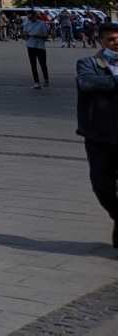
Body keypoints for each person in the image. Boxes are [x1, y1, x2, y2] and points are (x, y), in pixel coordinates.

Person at [78, 22, 118, 247]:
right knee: (101, 185)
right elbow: (87, 83)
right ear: (101, 41)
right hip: (99, 136)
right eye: (111, 40)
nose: (116, 43)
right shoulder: (89, 63)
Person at [23, 10, 52, 89]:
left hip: (40, 46)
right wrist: (26, 35)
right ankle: (36, 82)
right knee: (33, 65)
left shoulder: (42, 24)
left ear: (35, 16)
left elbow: (46, 36)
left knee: (43, 64)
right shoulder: (26, 23)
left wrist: (36, 35)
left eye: (31, 17)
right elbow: (24, 35)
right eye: (28, 17)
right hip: (30, 46)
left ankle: (46, 80)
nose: (30, 19)